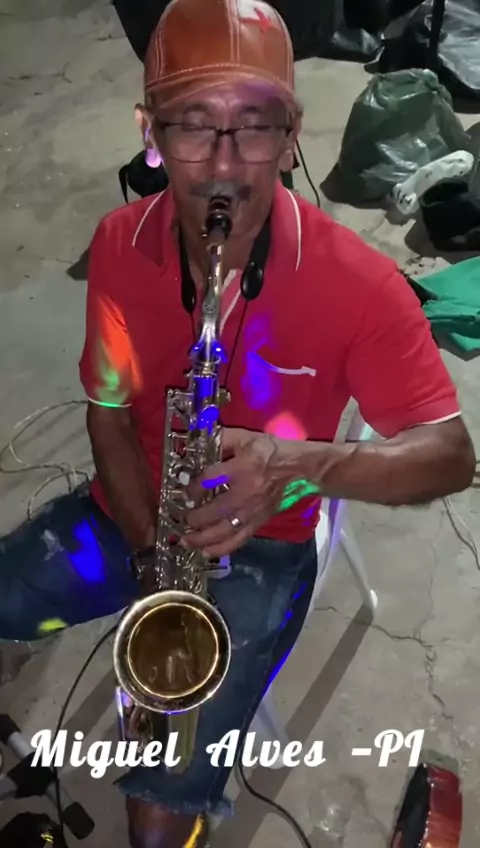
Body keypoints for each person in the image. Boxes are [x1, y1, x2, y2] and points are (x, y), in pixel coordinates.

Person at [0, 0, 475, 845]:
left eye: (254, 125)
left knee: (158, 816)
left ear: (291, 139)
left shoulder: (363, 285)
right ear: (150, 135)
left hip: (263, 548)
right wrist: (151, 557)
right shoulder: (117, 242)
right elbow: (108, 414)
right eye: (193, 124)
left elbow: (449, 457)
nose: (224, 165)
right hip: (131, 515)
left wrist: (297, 465)